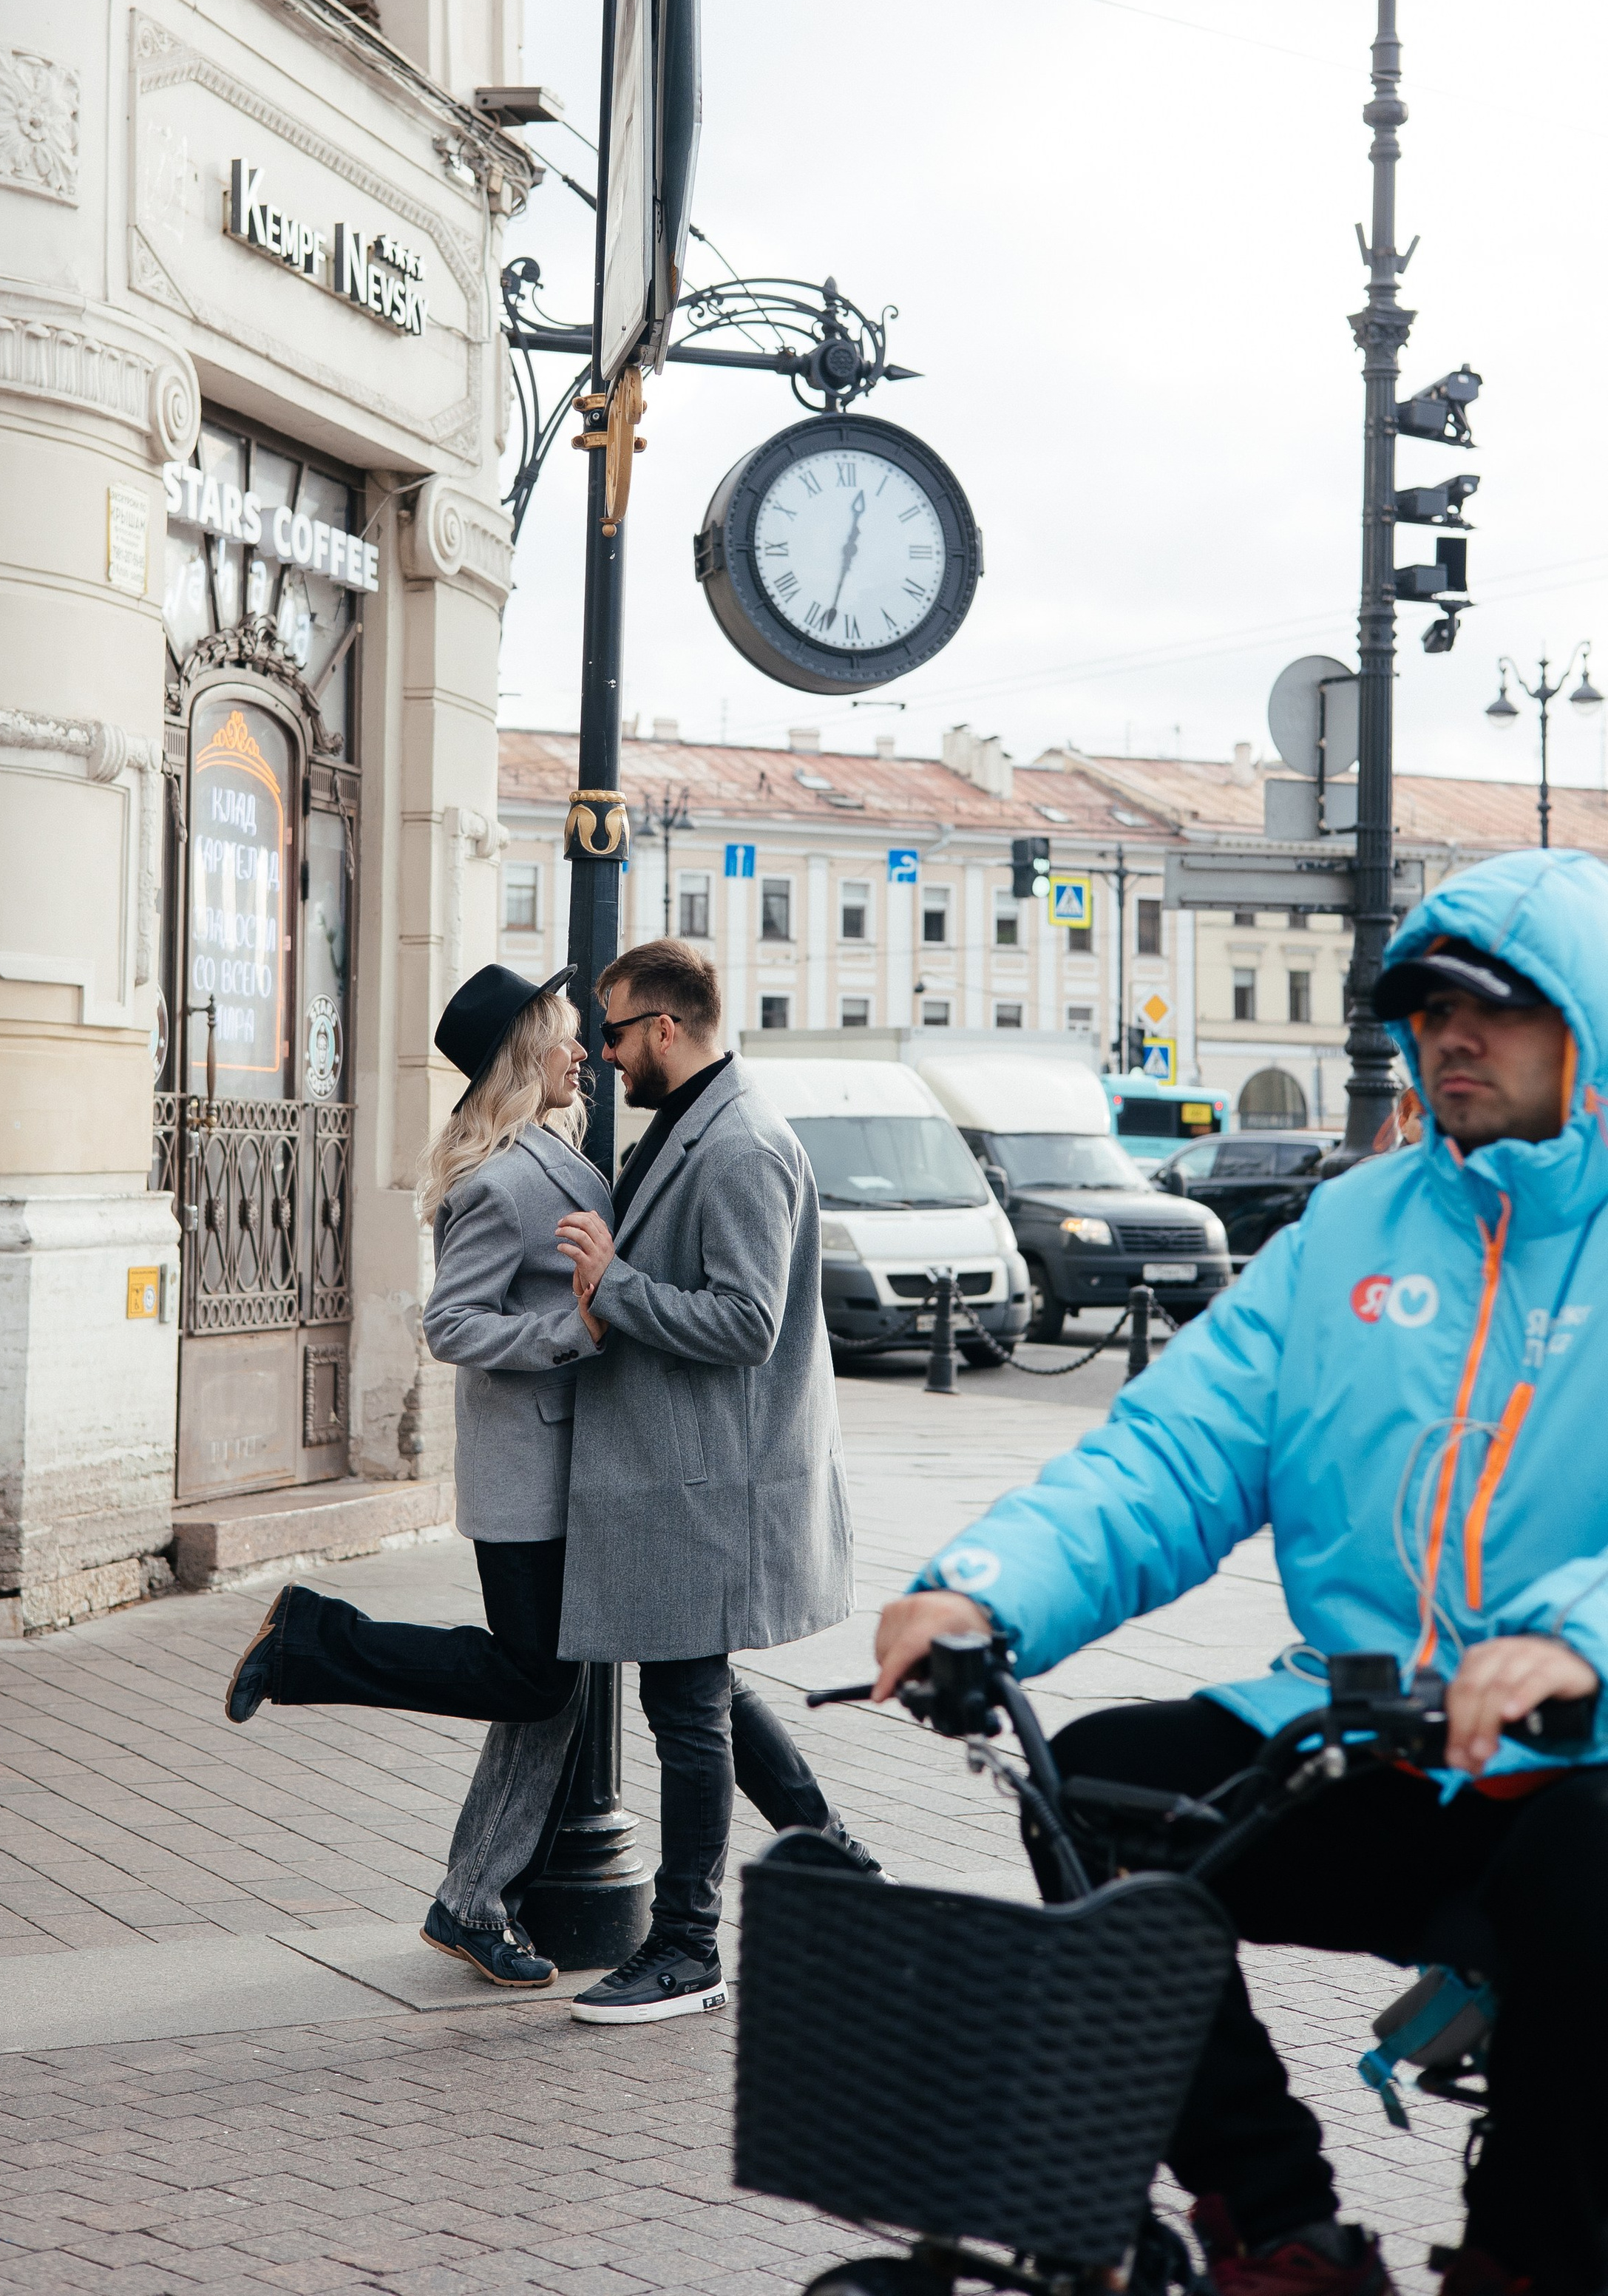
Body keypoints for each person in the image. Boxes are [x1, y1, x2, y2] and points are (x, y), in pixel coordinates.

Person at [873, 850, 1608, 2296]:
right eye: (1426, 1005)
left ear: (1585, 1022)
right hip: (1369, 1734)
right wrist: (984, 1586)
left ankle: (1527, 2262)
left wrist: (1571, 1642)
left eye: (1501, 1007)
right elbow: (1169, 1452)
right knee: (1096, 1798)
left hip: (1576, 1755)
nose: (1453, 1035)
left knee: (1587, 1866)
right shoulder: (1344, 1232)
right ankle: (1277, 2230)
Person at [223, 961, 609, 1989]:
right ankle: (312, 1638)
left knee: (554, 1693)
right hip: (528, 1476)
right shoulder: (501, 1182)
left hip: (569, 1471)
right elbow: (453, 1325)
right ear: (525, 1056)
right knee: (533, 1680)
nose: (585, 1049)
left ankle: (472, 1903)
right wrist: (576, 1327)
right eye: (566, 1035)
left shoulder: (557, 1156)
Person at [554, 937, 878, 2026]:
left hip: (711, 1482)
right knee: (702, 1690)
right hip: (685, 1478)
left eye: (612, 1032)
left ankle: (688, 1946)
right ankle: (831, 1859)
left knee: (688, 1708)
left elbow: (748, 1323)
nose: (601, 1056)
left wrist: (617, 1284)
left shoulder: (738, 1146)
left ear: (663, 1029)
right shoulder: (688, 1128)